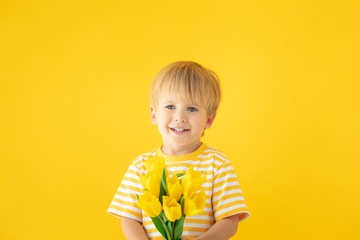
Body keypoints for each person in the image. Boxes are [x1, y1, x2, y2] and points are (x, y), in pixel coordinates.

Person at [107, 61, 250, 240]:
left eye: (192, 108)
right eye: (170, 107)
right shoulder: (141, 166)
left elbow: (229, 220)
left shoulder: (217, 164)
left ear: (209, 120)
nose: (180, 117)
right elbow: (129, 218)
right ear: (154, 114)